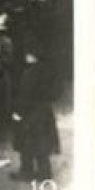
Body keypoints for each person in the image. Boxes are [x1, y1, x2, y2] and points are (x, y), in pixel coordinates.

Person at [11, 48, 60, 182]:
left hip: (30, 114)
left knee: (25, 144)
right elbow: (55, 93)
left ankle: (26, 173)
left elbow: (24, 95)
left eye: (28, 54)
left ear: (33, 55)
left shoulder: (30, 73)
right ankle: (45, 174)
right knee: (41, 145)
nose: (26, 56)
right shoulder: (48, 71)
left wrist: (18, 112)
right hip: (44, 113)